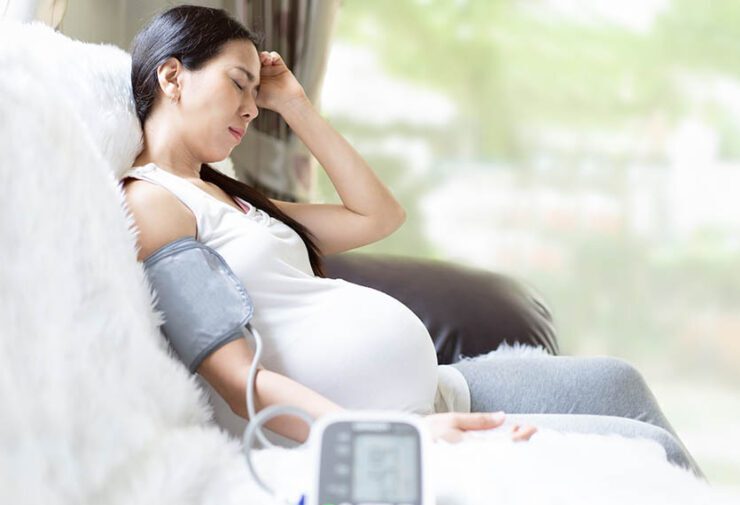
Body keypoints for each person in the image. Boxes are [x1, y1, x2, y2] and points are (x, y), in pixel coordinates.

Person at [120, 5, 704, 479]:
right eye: (239, 84)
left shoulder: (233, 197)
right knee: (651, 448)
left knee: (617, 381)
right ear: (172, 76)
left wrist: (294, 104)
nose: (252, 106)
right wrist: (394, 437)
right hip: (380, 425)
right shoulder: (155, 203)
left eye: (257, 91)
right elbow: (236, 381)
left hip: (437, 392)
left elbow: (377, 214)